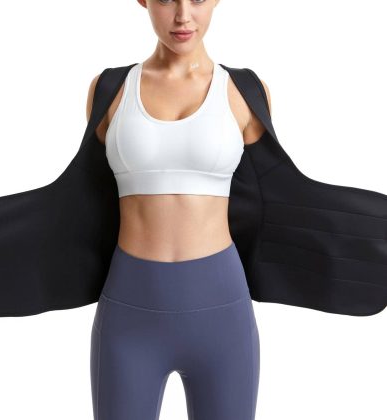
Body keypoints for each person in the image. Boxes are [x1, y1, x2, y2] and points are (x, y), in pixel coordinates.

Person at [86, 1, 269, 419]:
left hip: (223, 314)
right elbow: (85, 200)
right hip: (129, 313)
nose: (183, 15)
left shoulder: (245, 92)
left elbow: (269, 200)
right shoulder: (109, 90)